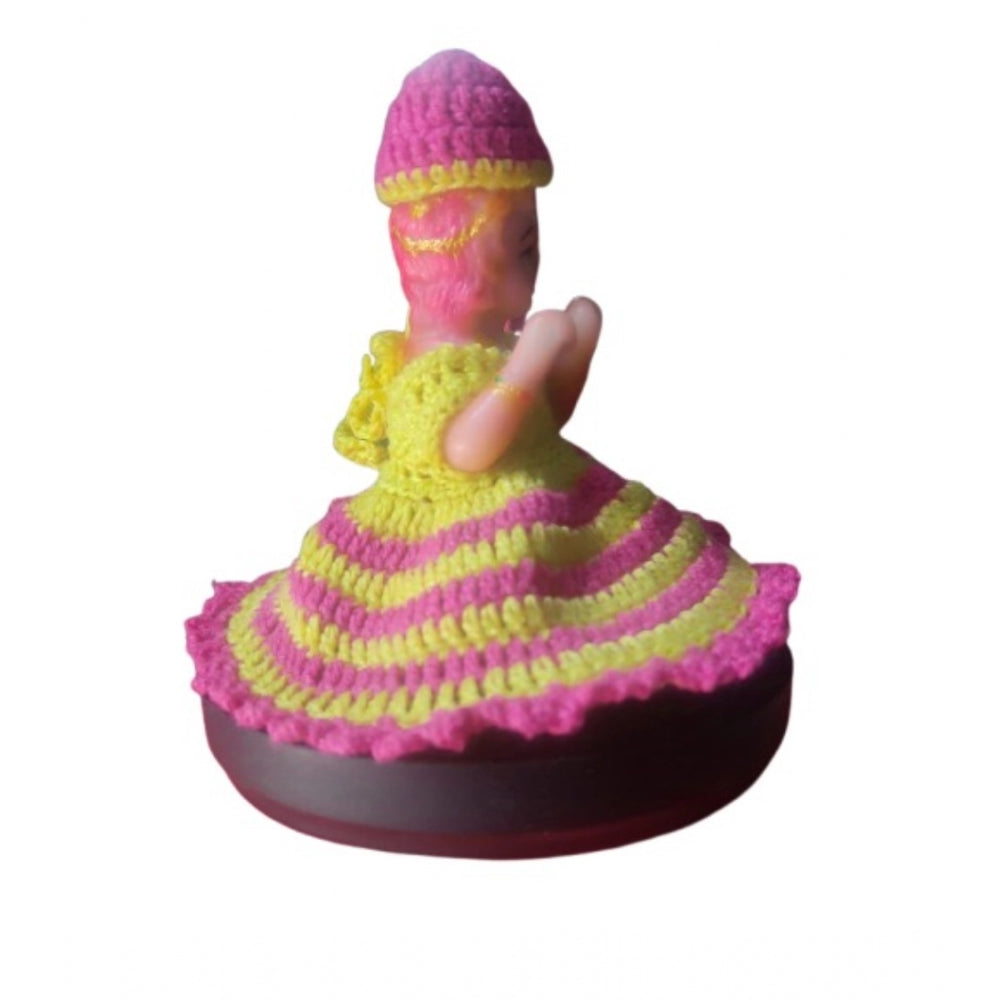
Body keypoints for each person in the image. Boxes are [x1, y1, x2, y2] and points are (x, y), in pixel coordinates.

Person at [187, 50, 799, 764]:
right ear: (454, 256)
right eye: (522, 249)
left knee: (616, 581)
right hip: (455, 539)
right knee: (495, 613)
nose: (532, 271)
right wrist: (532, 359)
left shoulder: (494, 350)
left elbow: (542, 425)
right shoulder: (431, 375)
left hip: (561, 498)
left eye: (534, 245)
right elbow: (468, 449)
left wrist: (575, 350)